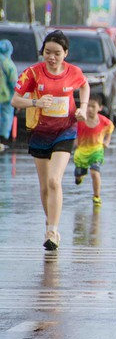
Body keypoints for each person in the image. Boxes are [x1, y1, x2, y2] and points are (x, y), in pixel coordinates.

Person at [11, 30, 90, 250]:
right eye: (47, 52)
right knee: (45, 185)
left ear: (66, 53)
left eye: (57, 53)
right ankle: (50, 221)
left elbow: (84, 85)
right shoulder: (33, 73)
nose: (52, 57)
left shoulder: (74, 72)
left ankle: (53, 230)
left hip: (65, 131)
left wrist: (82, 107)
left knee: (55, 180)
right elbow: (15, 100)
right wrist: (35, 103)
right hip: (39, 132)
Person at [73, 94, 114, 205]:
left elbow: (110, 128)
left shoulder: (104, 122)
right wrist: (75, 140)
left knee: (95, 173)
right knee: (78, 175)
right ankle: (80, 176)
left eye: (93, 106)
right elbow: (73, 130)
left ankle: (97, 196)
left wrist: (107, 141)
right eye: (88, 106)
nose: (90, 109)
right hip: (81, 152)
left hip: (96, 151)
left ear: (100, 108)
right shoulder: (80, 121)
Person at [0, 39, 17, 151]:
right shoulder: (8, 63)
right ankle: (2, 140)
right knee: (5, 118)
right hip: (5, 97)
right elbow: (13, 82)